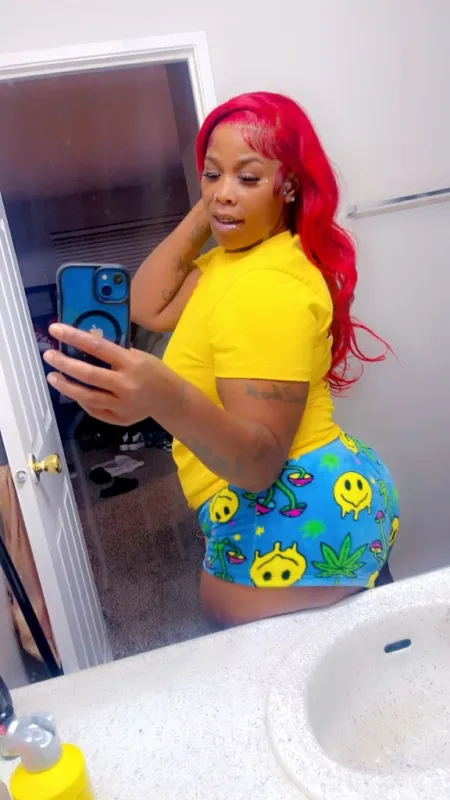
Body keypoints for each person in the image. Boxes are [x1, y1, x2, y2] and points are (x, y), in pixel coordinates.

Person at [44, 92, 399, 628]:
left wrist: (162, 395)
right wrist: (222, 200)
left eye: (249, 177)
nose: (223, 192)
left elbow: (260, 464)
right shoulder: (233, 262)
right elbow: (146, 305)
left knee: (250, 648)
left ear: (289, 184)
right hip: (312, 496)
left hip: (305, 506)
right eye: (211, 174)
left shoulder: (266, 286)